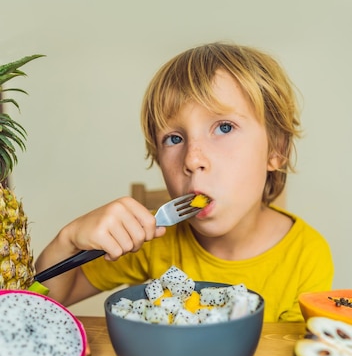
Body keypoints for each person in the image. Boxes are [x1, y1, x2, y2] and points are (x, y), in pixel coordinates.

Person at [35, 41, 334, 321]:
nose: (192, 159)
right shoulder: (153, 242)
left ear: (276, 150)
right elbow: (45, 301)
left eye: (225, 127)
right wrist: (69, 238)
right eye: (174, 138)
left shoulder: (306, 256)